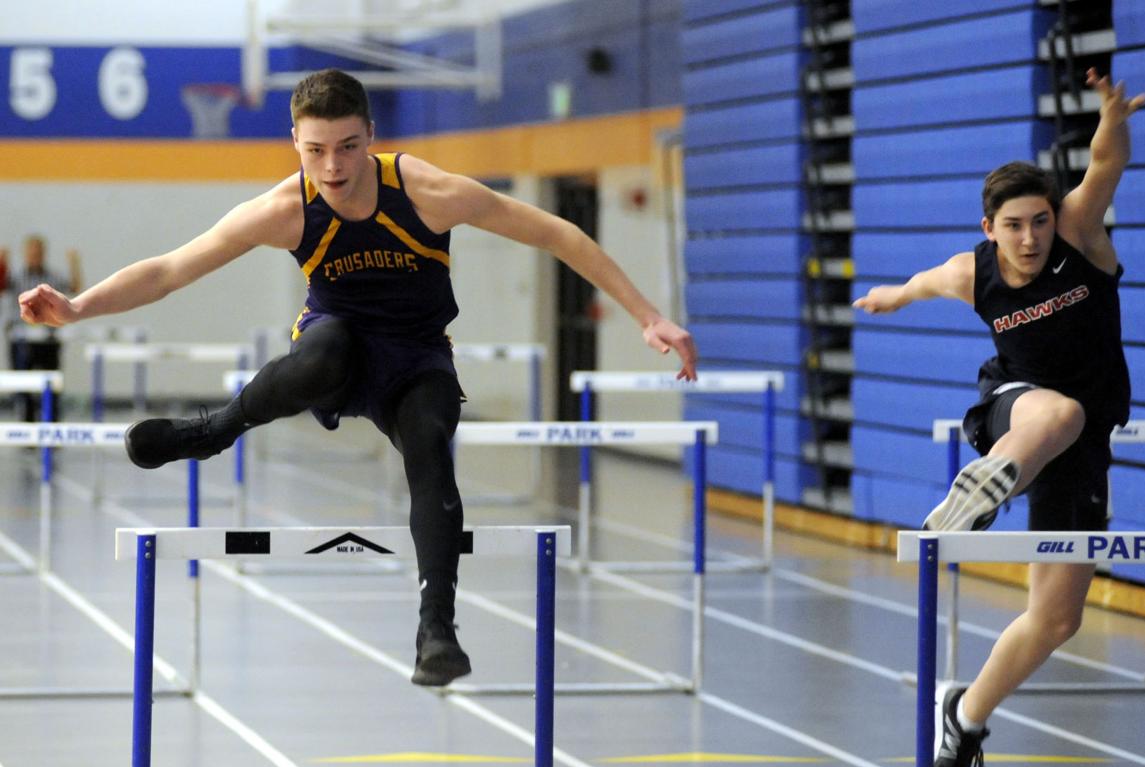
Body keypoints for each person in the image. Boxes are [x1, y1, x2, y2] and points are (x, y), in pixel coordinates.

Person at [18, 68, 697, 687]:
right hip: (335, 348)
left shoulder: (428, 194)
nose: (333, 167)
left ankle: (437, 628)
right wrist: (78, 307)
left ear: (371, 135)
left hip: (417, 357)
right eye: (315, 151)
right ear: (295, 144)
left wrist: (647, 315)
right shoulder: (286, 209)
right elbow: (170, 269)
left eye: (347, 147)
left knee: (431, 445)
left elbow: (557, 234)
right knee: (323, 350)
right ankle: (214, 429)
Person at [853, 68, 1145, 767]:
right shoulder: (971, 272)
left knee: (1056, 618)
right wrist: (889, 295)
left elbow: (1104, 164)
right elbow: (922, 281)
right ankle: (981, 487)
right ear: (989, 229)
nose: (1027, 237)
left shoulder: (1079, 236)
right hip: (1011, 412)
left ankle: (965, 715)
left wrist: (1109, 115)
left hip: (1077, 447)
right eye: (1012, 226)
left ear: (1055, 218)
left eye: (1038, 222)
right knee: (1056, 413)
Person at [1, 235, 81, 420]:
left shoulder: (52, 277)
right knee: (22, 387)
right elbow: (2, 286)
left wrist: (74, 263)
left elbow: (74, 287)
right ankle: (27, 428)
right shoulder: (15, 276)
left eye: (38, 252)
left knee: (51, 386)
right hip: (21, 339)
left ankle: (51, 428)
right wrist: (2, 262)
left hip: (47, 339)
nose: (35, 255)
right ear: (25, 253)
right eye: (31, 252)